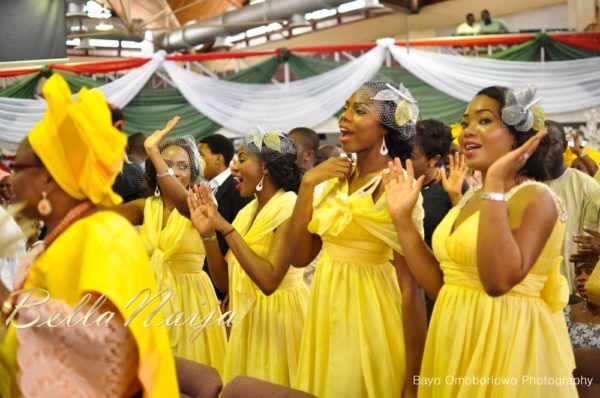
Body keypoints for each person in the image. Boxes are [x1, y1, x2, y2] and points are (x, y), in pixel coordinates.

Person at [384, 85, 577, 397]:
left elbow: (497, 281)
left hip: (506, 347)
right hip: (455, 338)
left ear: (518, 136)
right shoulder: (472, 197)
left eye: (484, 121)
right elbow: (441, 287)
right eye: (465, 123)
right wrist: (403, 220)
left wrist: (497, 183)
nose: (466, 133)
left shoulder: (535, 196)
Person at [0, 74, 177, 397]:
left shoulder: (104, 237)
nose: (11, 180)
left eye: (18, 166)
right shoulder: (67, 233)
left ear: (49, 180)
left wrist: (9, 303)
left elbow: (106, 355)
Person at [289, 77, 426, 398]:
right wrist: (308, 184)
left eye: (359, 110)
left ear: (385, 128)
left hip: (372, 318)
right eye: (346, 109)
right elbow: (298, 258)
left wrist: (414, 379)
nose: (345, 117)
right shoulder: (332, 180)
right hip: (325, 313)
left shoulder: (396, 185)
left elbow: (411, 289)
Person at [188, 129, 308, 387]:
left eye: (242, 159)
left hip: (281, 320)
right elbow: (223, 283)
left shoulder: (289, 206)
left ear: (264, 167)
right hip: (249, 320)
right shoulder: (247, 212)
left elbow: (269, 280)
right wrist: (208, 234)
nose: (234, 167)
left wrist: (223, 227)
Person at [114, 118, 227, 371]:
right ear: (154, 169)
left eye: (183, 166)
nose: (175, 171)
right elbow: (100, 215)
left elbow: (181, 201)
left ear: (193, 172)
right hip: (149, 299)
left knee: (190, 376)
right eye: (168, 164)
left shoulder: (200, 204)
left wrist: (154, 152)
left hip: (190, 302)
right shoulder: (146, 207)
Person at [544, 120, 600, 290]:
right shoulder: (521, 185)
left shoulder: (587, 187)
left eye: (552, 143)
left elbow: (591, 241)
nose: (544, 149)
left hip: (573, 293)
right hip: (529, 294)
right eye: (540, 143)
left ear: (564, 147)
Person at [198, 134, 252, 299]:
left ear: (218, 158)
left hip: (225, 278)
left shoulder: (239, 190)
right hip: (205, 275)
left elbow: (241, 238)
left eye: (201, 155)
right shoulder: (203, 187)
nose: (198, 161)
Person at [411, 119, 469, 248]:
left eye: (413, 157)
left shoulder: (454, 187)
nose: (405, 159)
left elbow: (465, 236)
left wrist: (455, 196)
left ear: (434, 159)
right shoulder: (395, 179)